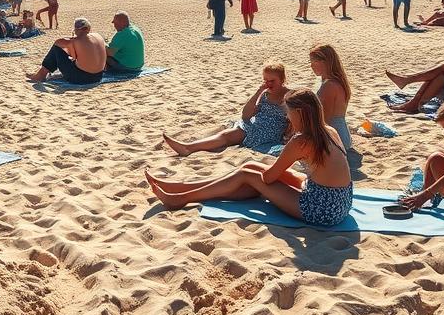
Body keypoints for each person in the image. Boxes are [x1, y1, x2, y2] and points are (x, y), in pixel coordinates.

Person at [146, 89, 352, 227]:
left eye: (289, 114)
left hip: (322, 209)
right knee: (253, 166)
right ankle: (181, 188)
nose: (287, 118)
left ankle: (183, 197)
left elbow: (269, 179)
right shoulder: (329, 131)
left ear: (300, 113)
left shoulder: (301, 141)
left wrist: (261, 175)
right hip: (341, 200)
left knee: (249, 174)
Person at [162, 62, 290, 156]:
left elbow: (295, 119)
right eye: (265, 80)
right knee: (226, 135)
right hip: (254, 126)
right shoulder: (264, 94)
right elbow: (245, 115)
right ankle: (188, 147)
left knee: (227, 136)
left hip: (270, 132)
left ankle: (188, 148)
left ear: (282, 79)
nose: (268, 84)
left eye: (272, 80)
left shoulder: (290, 96)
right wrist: (258, 92)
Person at [27, 17, 106, 85]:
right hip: (98, 76)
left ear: (75, 30)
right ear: (88, 28)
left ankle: (41, 75)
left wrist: (71, 40)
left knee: (57, 48)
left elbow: (58, 43)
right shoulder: (98, 36)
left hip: (81, 79)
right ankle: (41, 74)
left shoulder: (75, 40)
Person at [309, 44, 352, 151]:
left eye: (314, 61)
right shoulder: (335, 81)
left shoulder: (329, 86)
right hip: (340, 134)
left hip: (335, 138)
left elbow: (324, 119)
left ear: (325, 62)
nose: (311, 66)